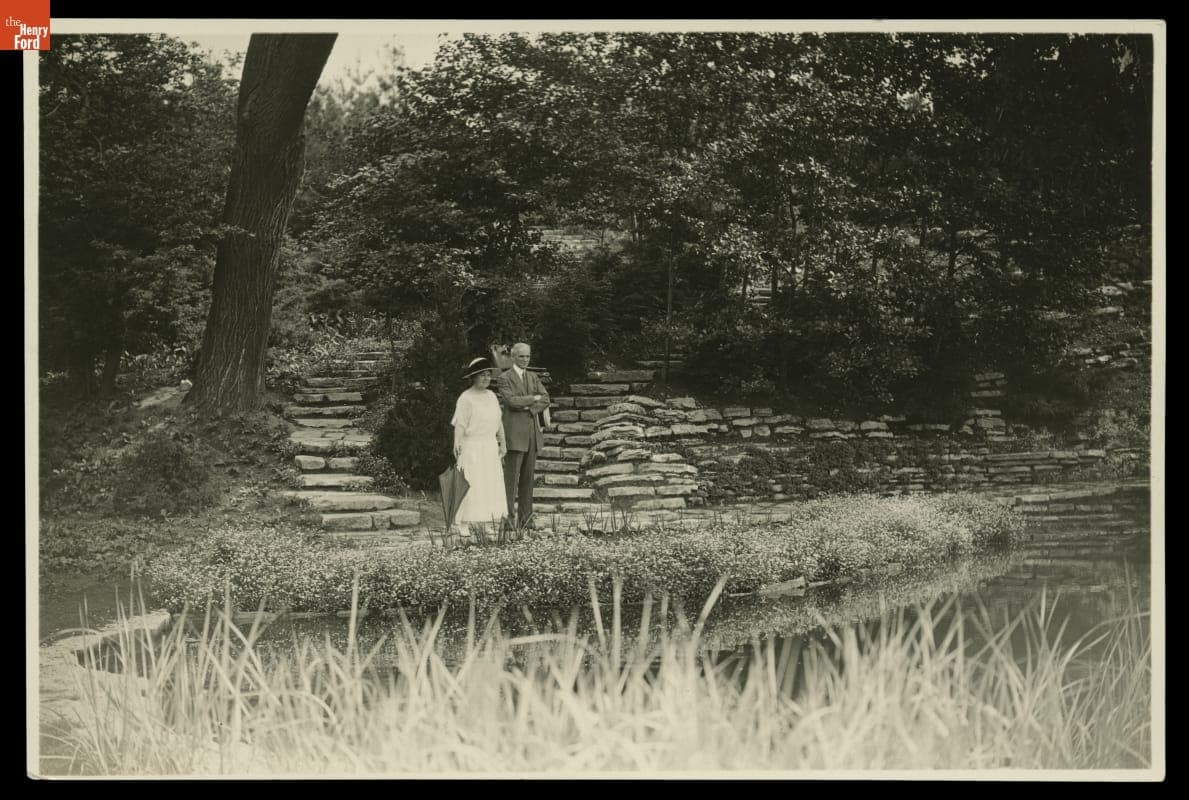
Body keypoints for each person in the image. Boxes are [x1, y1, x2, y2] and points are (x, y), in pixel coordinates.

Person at [450, 357, 508, 538]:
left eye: (488, 375)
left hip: (489, 446)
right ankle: (463, 523)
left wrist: (503, 443)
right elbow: (460, 424)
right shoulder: (466, 398)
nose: (486, 378)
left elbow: (498, 422)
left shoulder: (491, 396)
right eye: (482, 375)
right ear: (473, 378)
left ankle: (487, 521)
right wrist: (457, 444)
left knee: (489, 484)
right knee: (471, 483)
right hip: (472, 446)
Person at [497, 342, 550, 528]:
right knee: (510, 480)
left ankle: (526, 518)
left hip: (532, 435)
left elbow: (545, 398)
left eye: (528, 356)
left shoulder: (533, 377)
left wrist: (530, 407)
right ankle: (509, 519)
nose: (525, 360)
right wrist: (532, 399)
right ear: (513, 357)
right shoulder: (504, 378)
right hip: (513, 434)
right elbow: (510, 401)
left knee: (528, 479)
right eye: (521, 356)